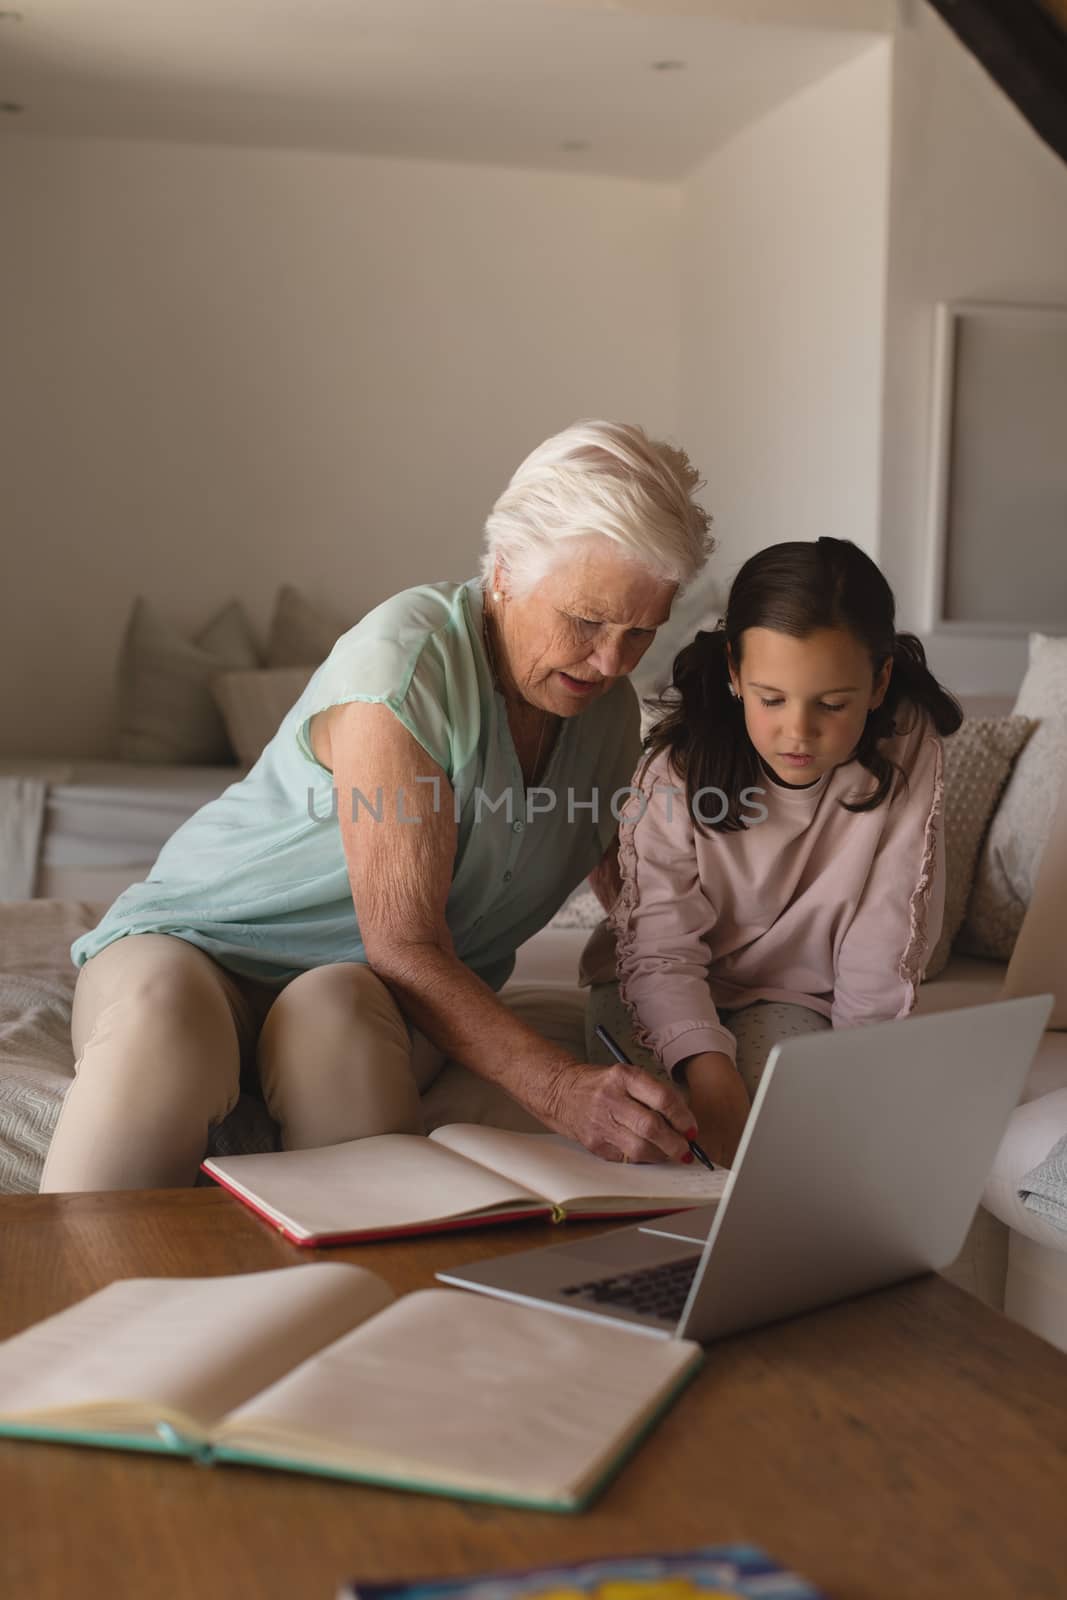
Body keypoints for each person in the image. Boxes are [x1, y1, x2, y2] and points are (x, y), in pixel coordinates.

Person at [41, 420, 716, 1193]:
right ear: (504, 572)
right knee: (162, 1019)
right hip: (200, 946)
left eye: (640, 632)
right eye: (587, 620)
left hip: (369, 993)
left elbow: (640, 900)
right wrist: (559, 1088)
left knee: (336, 1012)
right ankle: (70, 1295)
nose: (610, 661)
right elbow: (404, 943)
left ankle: (370, 1299)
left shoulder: (607, 717)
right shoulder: (408, 658)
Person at [584, 537, 962, 1168]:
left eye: (833, 705)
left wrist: (861, 1076)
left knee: (795, 1121)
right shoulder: (675, 771)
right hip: (665, 985)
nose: (798, 732)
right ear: (734, 672)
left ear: (879, 682)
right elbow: (661, 949)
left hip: (796, 997)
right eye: (771, 698)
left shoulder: (907, 746)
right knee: (663, 1119)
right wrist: (708, 1070)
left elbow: (885, 939)